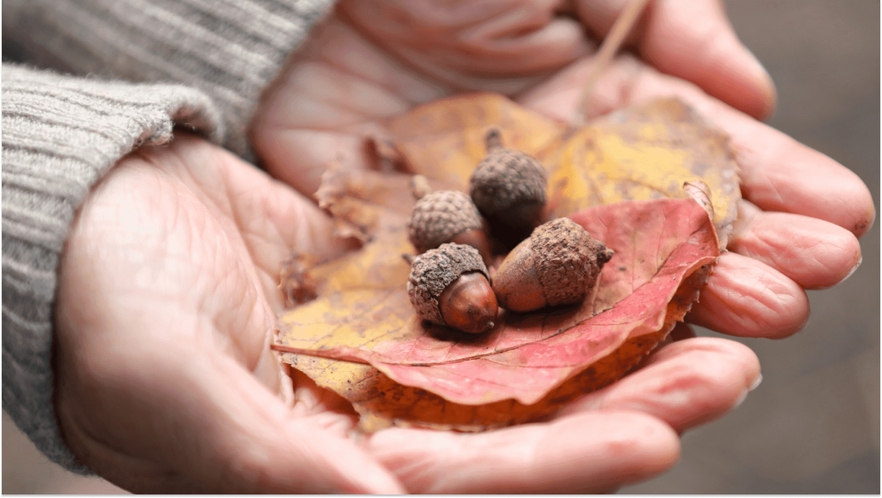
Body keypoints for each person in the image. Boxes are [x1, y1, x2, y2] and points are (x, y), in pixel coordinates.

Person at [2, 0, 872, 493]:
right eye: (479, 303)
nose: (483, 305)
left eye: (476, 299)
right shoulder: (464, 255)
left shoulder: (515, 238)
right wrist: (58, 196)